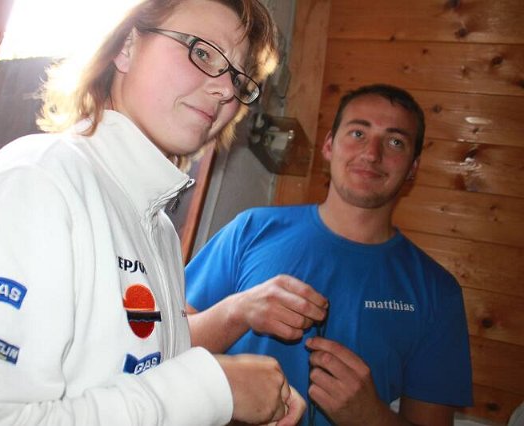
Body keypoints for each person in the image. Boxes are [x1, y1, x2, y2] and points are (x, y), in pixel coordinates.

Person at [0, 1, 307, 425]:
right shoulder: (38, 182)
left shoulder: (158, 230)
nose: (225, 91)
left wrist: (220, 396)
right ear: (127, 46)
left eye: (238, 78)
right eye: (202, 52)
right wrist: (209, 391)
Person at [186, 84, 473, 425]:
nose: (372, 154)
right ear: (328, 145)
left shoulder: (437, 292)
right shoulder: (251, 229)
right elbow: (162, 343)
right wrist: (237, 311)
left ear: (413, 167)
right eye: (358, 133)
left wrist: (371, 417)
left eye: (395, 142)